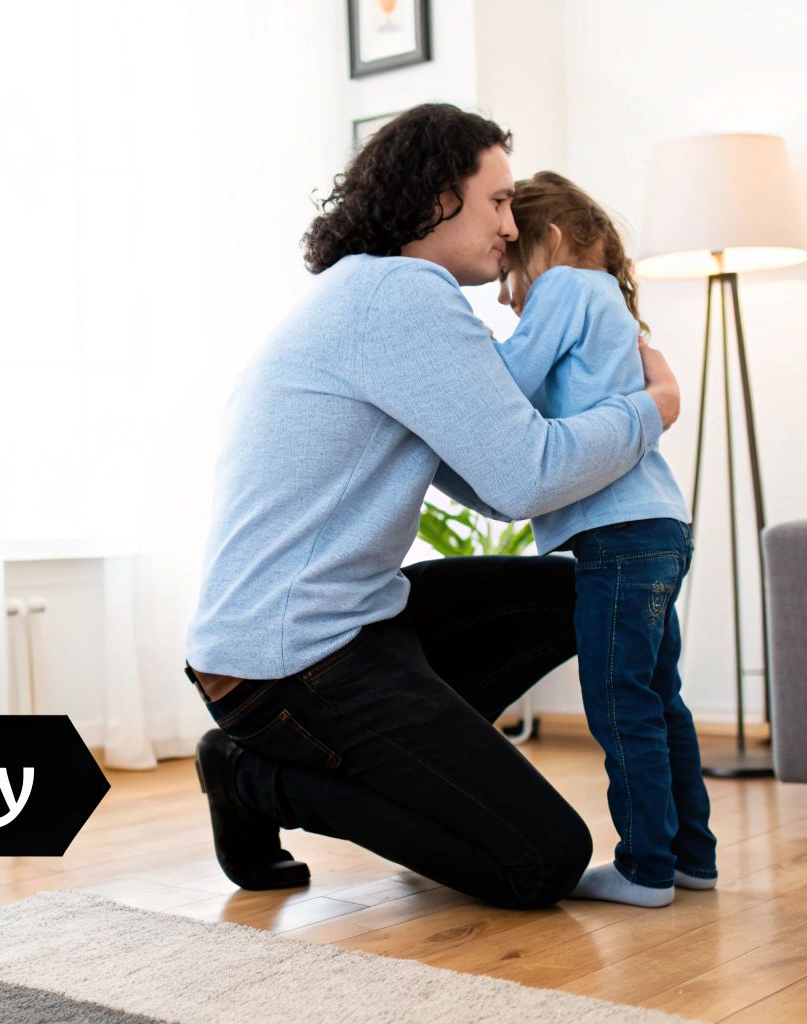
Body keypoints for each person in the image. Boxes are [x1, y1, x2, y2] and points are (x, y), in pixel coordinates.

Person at [182, 104, 680, 909]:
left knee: (570, 596)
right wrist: (650, 408)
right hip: (290, 663)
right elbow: (525, 480)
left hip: (345, 628)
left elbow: (489, 482)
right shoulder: (402, 296)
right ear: (437, 198)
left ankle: (421, 781)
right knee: (542, 862)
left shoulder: (376, 295)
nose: (512, 228)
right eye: (498, 202)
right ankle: (252, 778)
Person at [492, 171, 717, 908]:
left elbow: (508, 383)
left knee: (619, 703)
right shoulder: (614, 306)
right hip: (657, 526)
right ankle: (692, 856)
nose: (504, 295)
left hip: (614, 535)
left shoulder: (565, 290)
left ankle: (645, 867)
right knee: (659, 698)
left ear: (549, 241)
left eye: (508, 270)